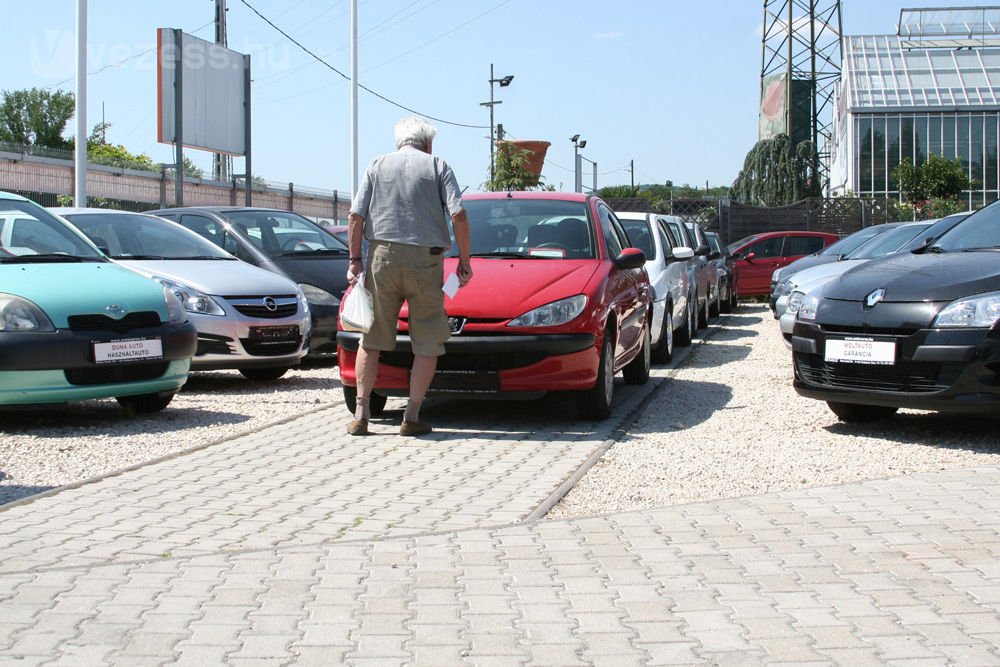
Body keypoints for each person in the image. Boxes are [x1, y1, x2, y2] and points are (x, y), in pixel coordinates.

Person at [346, 117, 473, 436]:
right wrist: (464, 260)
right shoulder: (438, 165)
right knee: (427, 341)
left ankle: (361, 414)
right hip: (426, 262)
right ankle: (411, 416)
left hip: (381, 258)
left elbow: (355, 216)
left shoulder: (377, 164)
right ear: (428, 143)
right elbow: (458, 214)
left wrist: (355, 260)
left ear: (399, 142)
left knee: (370, 339)